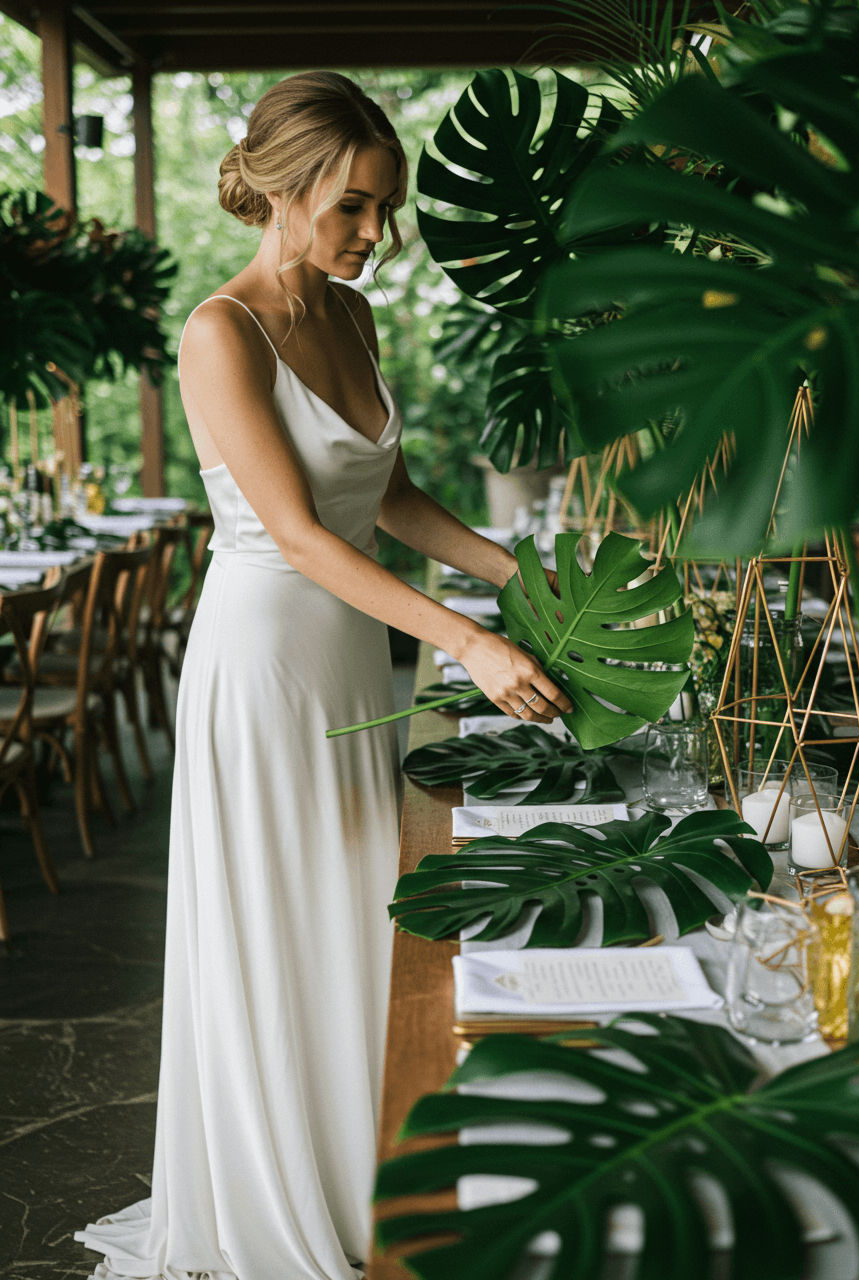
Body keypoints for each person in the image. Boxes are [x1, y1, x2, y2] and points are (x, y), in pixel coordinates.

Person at [76, 71, 572, 1280]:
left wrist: (515, 572)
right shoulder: (219, 330)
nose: (373, 233)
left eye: (382, 208)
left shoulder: (349, 318)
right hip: (265, 659)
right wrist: (464, 637)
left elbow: (381, 493)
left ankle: (367, 1167)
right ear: (286, 186)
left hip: (357, 650)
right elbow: (298, 530)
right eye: (353, 206)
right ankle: (271, 1200)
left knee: (364, 910)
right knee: (278, 917)